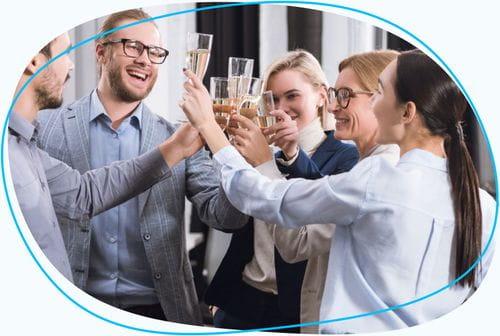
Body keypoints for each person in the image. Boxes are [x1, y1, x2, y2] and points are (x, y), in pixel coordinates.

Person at [179, 50, 496, 333]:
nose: (335, 106)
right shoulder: (484, 205)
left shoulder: (377, 178)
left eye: (379, 93)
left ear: (407, 112)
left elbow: (266, 198)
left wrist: (209, 126)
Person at [36, 9, 247, 325]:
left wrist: (235, 158)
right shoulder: (46, 127)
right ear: (101, 52)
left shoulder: (180, 136)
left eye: (154, 52)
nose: (145, 59)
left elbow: (225, 217)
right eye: (132, 47)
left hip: (161, 314)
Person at [9, 32, 203, 288]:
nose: (71, 64)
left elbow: (84, 193)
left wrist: (177, 147)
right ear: (34, 60)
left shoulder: (27, 148)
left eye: (153, 52)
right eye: (65, 53)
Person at [229, 50, 400, 333]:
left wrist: (262, 164)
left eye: (345, 95)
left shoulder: (371, 173)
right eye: (271, 98)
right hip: (253, 303)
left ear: (382, 100)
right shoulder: (370, 165)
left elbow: (296, 244)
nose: (335, 107)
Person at [204, 50, 359, 332]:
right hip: (240, 301)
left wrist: (291, 154)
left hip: (296, 310)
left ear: (322, 96)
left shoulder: (346, 156)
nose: (280, 107)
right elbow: (231, 221)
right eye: (272, 98)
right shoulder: (260, 151)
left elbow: (316, 210)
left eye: (291, 96)